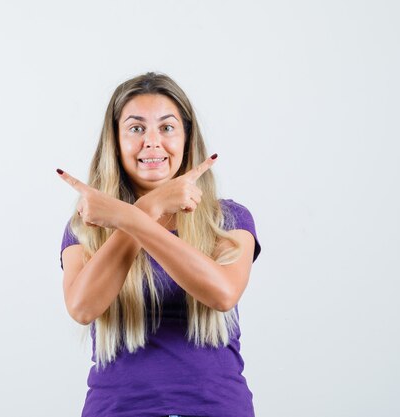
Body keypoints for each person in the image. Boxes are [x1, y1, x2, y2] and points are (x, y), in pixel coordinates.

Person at [56, 72, 262, 417]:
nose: (152, 142)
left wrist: (130, 217)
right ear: (116, 141)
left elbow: (223, 294)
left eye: (166, 128)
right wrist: (148, 209)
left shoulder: (228, 219)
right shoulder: (87, 227)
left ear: (186, 138)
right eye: (136, 129)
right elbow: (81, 308)